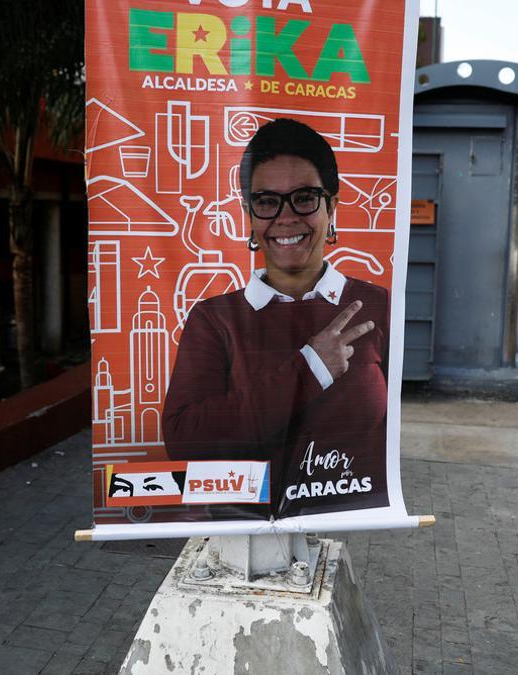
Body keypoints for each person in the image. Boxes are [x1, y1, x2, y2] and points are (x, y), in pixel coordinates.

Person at [163, 118, 390, 519]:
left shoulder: (376, 306)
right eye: (267, 201)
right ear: (249, 214)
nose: (286, 217)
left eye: (305, 197)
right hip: (239, 529)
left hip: (348, 526)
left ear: (332, 206)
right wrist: (312, 367)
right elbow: (184, 443)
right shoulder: (215, 319)